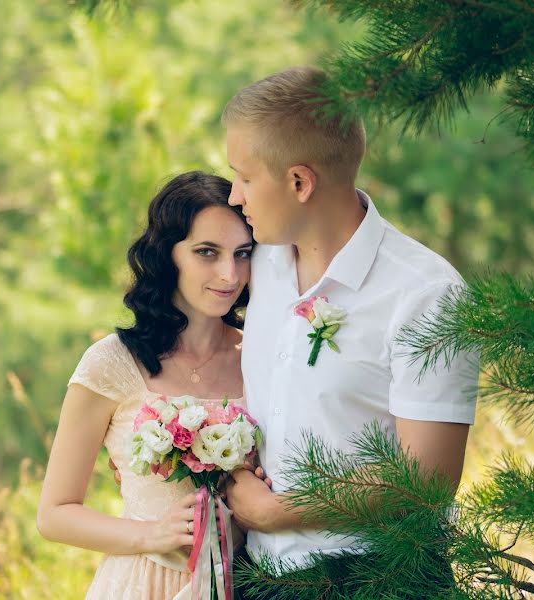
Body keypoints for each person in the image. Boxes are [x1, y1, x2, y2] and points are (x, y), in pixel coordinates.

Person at [220, 66, 479, 596]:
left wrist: (276, 512)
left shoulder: (426, 293)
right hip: (257, 576)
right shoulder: (257, 262)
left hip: (379, 578)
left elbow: (426, 484)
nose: (233, 196)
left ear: (299, 182)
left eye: (245, 178)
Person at [37, 171, 255, 599]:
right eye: (206, 252)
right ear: (166, 255)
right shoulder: (111, 363)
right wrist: (150, 534)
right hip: (142, 584)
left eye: (243, 253)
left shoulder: (262, 358)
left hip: (248, 584)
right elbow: (55, 514)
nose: (230, 274)